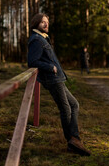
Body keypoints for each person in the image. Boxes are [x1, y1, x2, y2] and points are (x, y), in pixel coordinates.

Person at [28, 13, 91, 156]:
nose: (46, 24)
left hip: (58, 78)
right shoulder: (36, 40)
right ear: (36, 23)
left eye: (47, 22)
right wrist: (50, 67)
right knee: (66, 108)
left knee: (74, 105)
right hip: (52, 79)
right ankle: (72, 140)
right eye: (43, 22)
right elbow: (32, 62)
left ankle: (74, 139)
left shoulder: (43, 38)